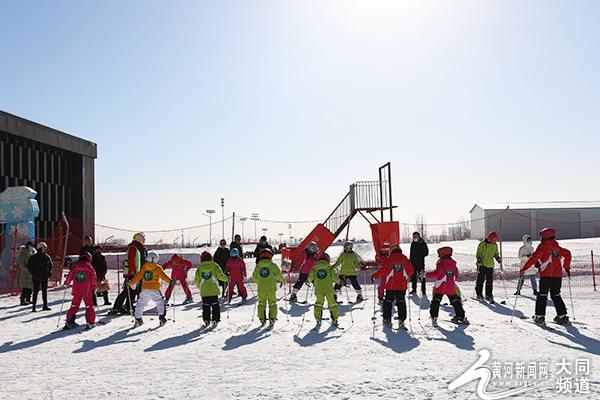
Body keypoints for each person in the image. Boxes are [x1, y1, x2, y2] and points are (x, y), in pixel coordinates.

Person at [520, 228, 572, 326]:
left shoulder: (543, 246)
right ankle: (562, 316)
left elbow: (534, 258)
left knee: (542, 295)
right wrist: (566, 267)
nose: (540, 238)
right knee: (556, 295)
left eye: (542, 236)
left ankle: (540, 317)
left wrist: (524, 268)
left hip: (546, 276)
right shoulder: (557, 247)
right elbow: (568, 254)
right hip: (557, 276)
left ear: (545, 237)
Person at [372, 245, 414, 328]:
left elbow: (383, 270)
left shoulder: (389, 259)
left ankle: (387, 319)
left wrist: (375, 276)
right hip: (402, 286)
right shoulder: (405, 259)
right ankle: (401, 320)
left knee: (388, 302)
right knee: (401, 302)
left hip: (390, 286)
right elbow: (411, 271)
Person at [129, 252, 174, 328]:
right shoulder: (158, 268)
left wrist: (131, 282)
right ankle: (162, 318)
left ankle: (138, 319)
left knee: (141, 304)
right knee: (160, 302)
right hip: (155, 289)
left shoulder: (144, 267)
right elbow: (164, 276)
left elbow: (138, 276)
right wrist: (170, 281)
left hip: (145, 289)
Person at [426, 246, 468, 325]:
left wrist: (426, 274)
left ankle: (434, 316)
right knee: (455, 300)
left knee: (436, 301)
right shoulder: (453, 263)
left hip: (441, 285)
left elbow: (437, 273)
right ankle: (460, 316)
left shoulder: (441, 263)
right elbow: (456, 275)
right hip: (450, 286)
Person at [109, 232, 148, 315]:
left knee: (131, 291)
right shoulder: (133, 248)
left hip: (133, 273)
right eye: (143, 238)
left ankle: (127, 306)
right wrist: (134, 272)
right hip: (131, 273)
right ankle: (117, 307)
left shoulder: (134, 247)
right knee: (127, 291)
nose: (144, 240)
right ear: (139, 239)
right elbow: (131, 261)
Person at [252, 248, 286, 327]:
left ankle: (262, 319)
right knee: (272, 303)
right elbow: (278, 275)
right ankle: (272, 319)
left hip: (261, 289)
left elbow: (254, 277)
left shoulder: (258, 266)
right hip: (271, 289)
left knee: (261, 304)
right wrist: (283, 281)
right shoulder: (273, 266)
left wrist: (259, 283)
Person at [63, 252, 97, 330]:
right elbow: (94, 278)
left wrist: (67, 283)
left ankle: (69, 321)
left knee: (74, 305)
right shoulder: (90, 268)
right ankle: (90, 322)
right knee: (89, 305)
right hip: (87, 290)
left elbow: (70, 275)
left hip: (77, 290)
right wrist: (94, 287)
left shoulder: (75, 266)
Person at [195, 251, 228, 327]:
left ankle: (206, 320)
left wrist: (200, 287)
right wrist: (226, 279)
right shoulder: (214, 265)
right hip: (214, 290)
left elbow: (197, 279)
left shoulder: (200, 268)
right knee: (215, 306)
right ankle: (215, 319)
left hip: (204, 291)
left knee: (206, 306)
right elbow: (220, 275)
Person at [307, 252, 340, 328]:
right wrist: (340, 281)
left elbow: (310, 278)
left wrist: (307, 280)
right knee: (332, 304)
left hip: (319, 290)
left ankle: (318, 319)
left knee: (318, 304)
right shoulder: (329, 268)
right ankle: (335, 318)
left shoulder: (315, 268)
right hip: (329, 289)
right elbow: (334, 278)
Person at [475, 231, 502, 303]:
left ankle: (488, 295)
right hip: (482, 265)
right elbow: (479, 253)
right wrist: (479, 259)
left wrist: (498, 258)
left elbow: (495, 253)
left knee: (489, 281)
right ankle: (479, 294)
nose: (494, 242)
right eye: (493, 240)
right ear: (489, 238)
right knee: (480, 280)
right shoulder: (482, 244)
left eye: (495, 241)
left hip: (490, 265)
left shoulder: (495, 245)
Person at [27, 242, 53, 312]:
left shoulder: (47, 257)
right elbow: (29, 266)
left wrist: (49, 273)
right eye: (44, 248)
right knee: (35, 292)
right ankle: (34, 307)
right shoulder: (34, 257)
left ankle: (45, 305)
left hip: (44, 277)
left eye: (45, 248)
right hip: (36, 277)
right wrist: (34, 274)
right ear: (40, 248)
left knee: (44, 291)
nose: (45, 249)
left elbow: (50, 266)